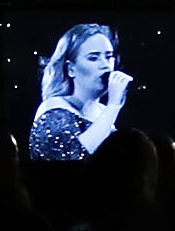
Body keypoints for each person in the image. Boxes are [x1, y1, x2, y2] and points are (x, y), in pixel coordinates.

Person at [28, 23, 129, 161]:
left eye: (109, 56)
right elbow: (74, 158)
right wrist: (113, 107)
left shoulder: (102, 111)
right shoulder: (54, 107)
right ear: (71, 69)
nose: (105, 65)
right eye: (93, 58)